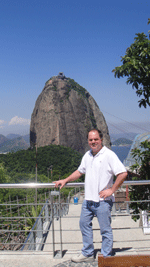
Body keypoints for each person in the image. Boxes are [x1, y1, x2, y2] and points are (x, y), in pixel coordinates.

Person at [54, 129, 127, 263]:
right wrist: (65, 180)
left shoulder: (109, 155)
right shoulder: (87, 155)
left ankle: (106, 257)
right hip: (88, 200)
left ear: (101, 140)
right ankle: (87, 253)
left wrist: (111, 190)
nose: (93, 142)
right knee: (83, 224)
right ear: (88, 141)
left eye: (95, 139)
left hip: (103, 201)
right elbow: (79, 171)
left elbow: (122, 173)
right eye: (90, 140)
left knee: (105, 230)